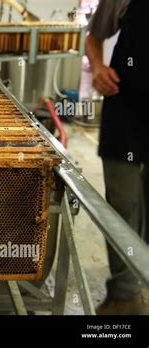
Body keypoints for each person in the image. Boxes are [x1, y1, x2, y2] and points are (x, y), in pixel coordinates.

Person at [85, 0, 148, 315]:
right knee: (123, 203)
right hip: (125, 111)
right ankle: (125, 297)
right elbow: (93, 37)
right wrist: (97, 67)